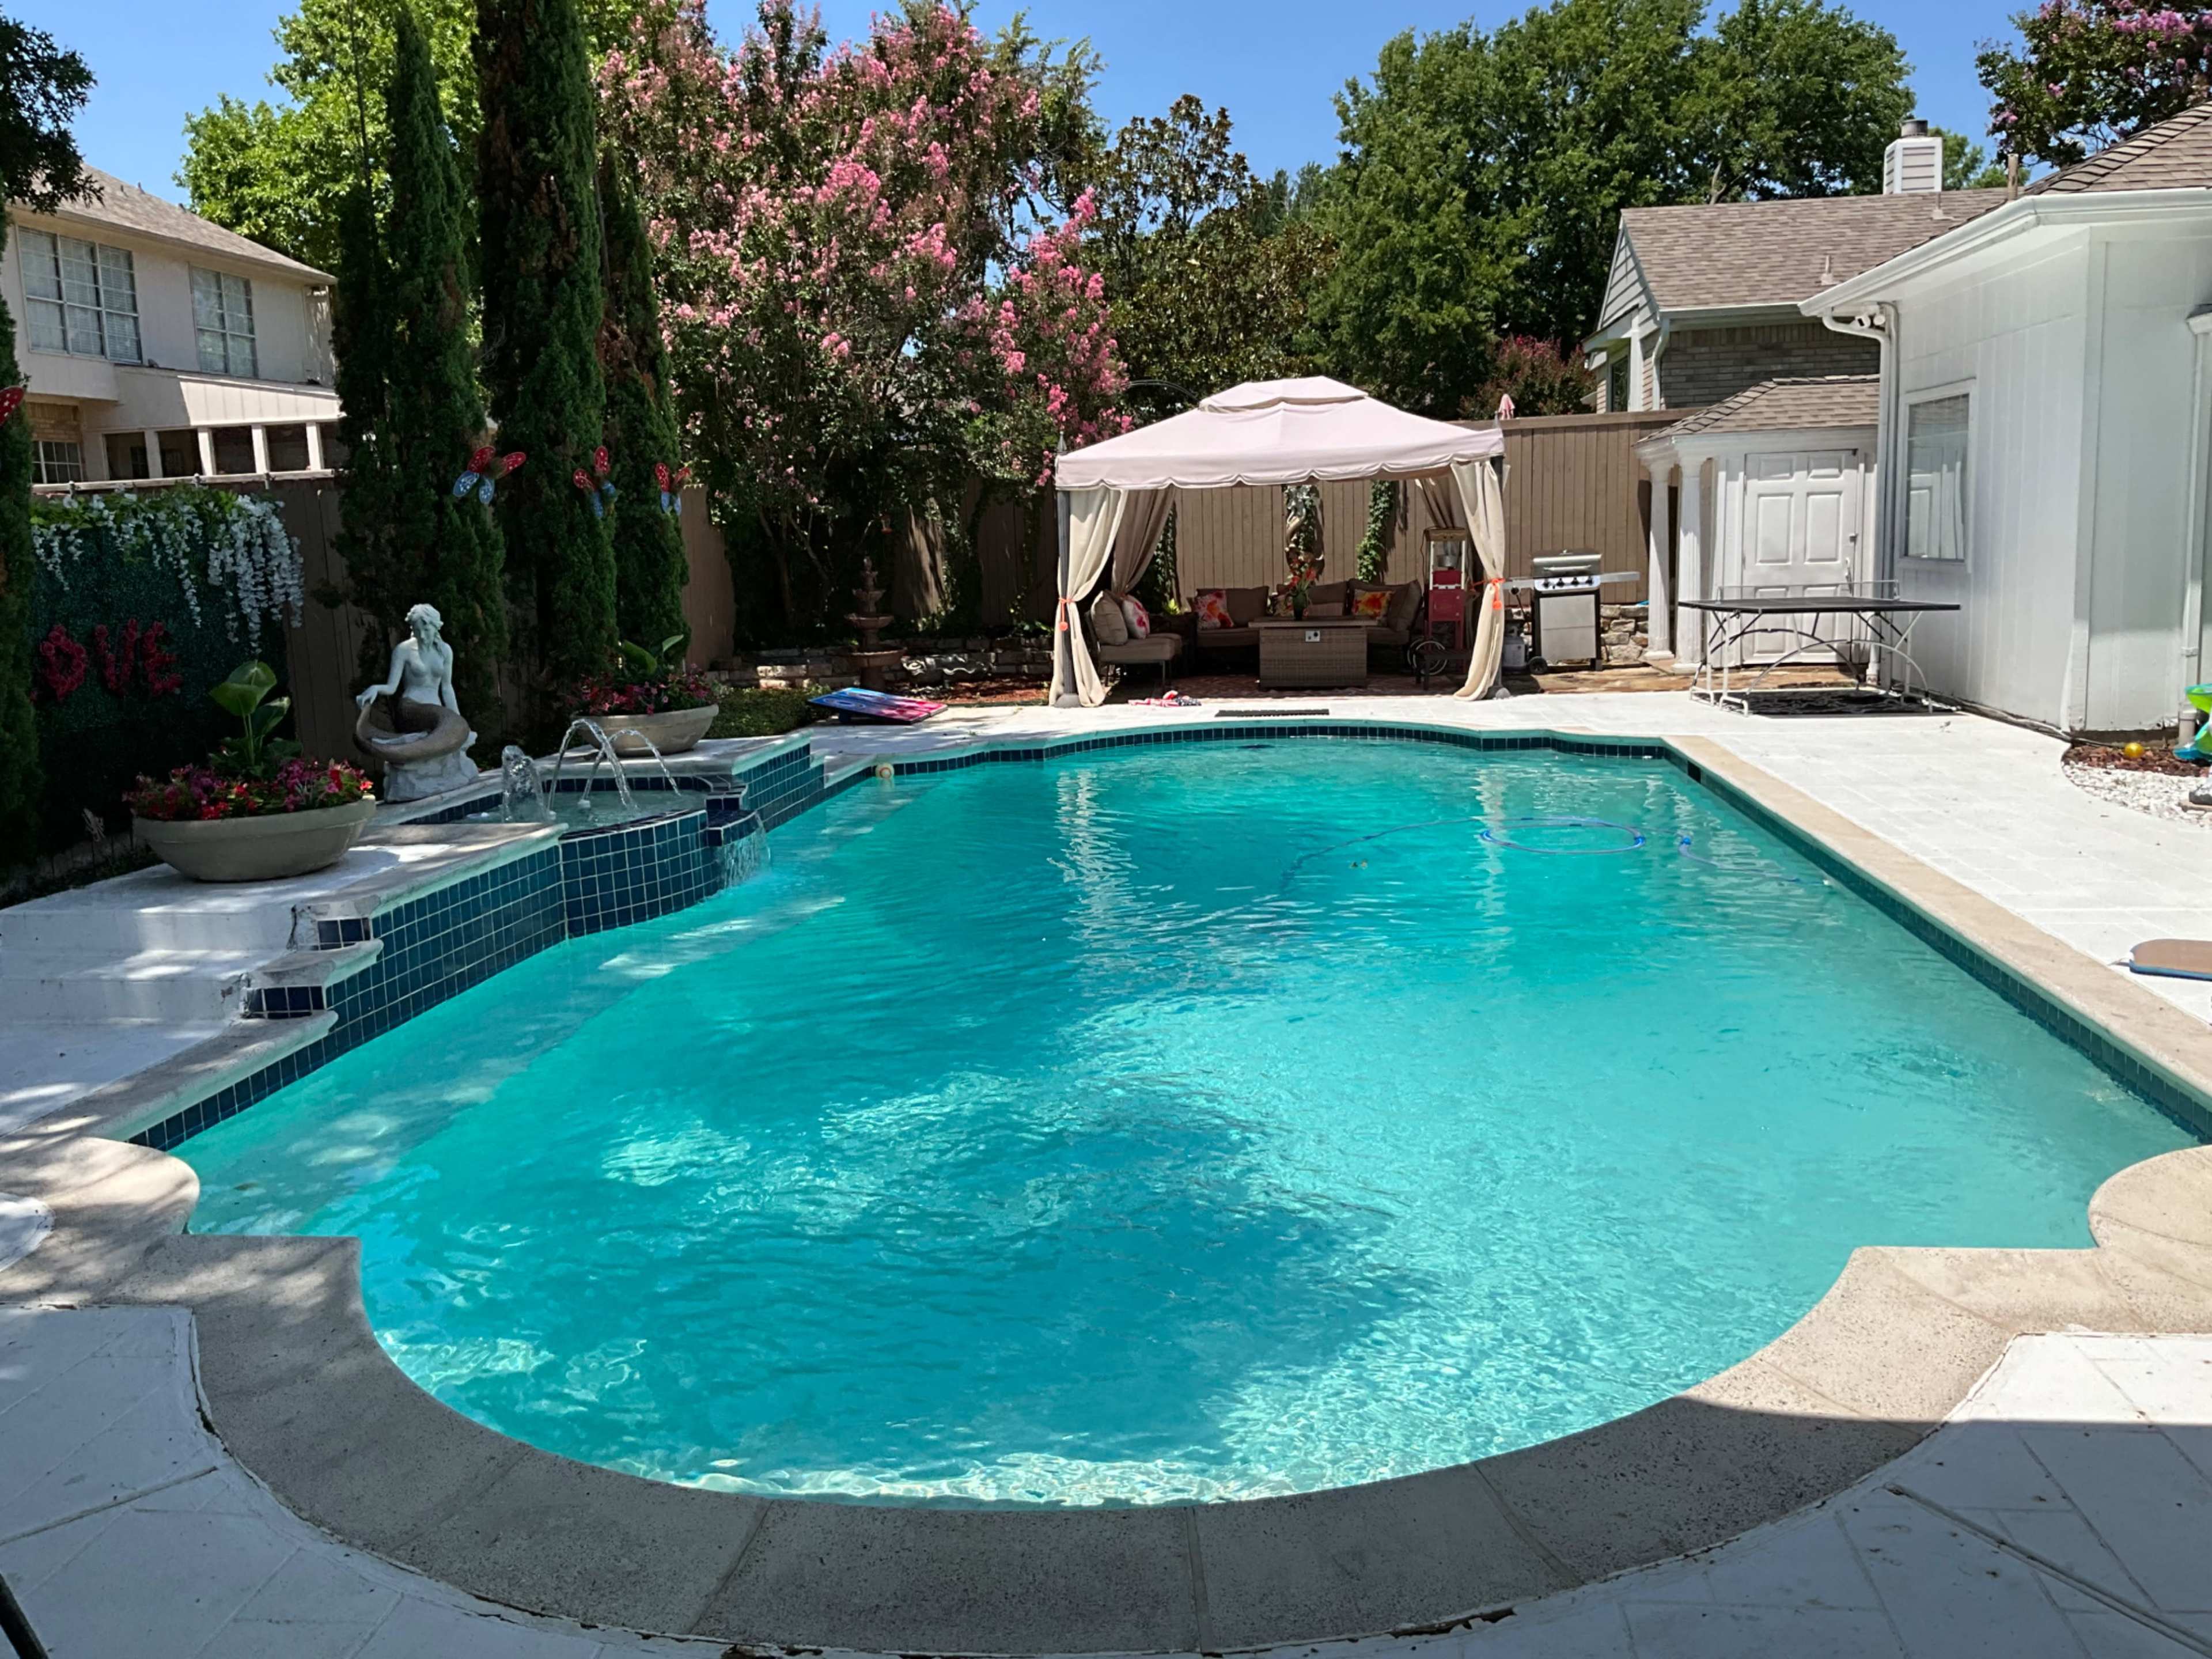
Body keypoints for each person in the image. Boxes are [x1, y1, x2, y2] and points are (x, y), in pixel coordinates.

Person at [357, 604, 460, 717]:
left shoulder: (445, 651)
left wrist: (459, 721)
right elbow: (391, 687)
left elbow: (446, 688)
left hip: (436, 709)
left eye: (426, 630)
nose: (422, 636)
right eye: (417, 631)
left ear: (436, 627)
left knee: (448, 727)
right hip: (411, 707)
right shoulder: (403, 650)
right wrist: (375, 688)